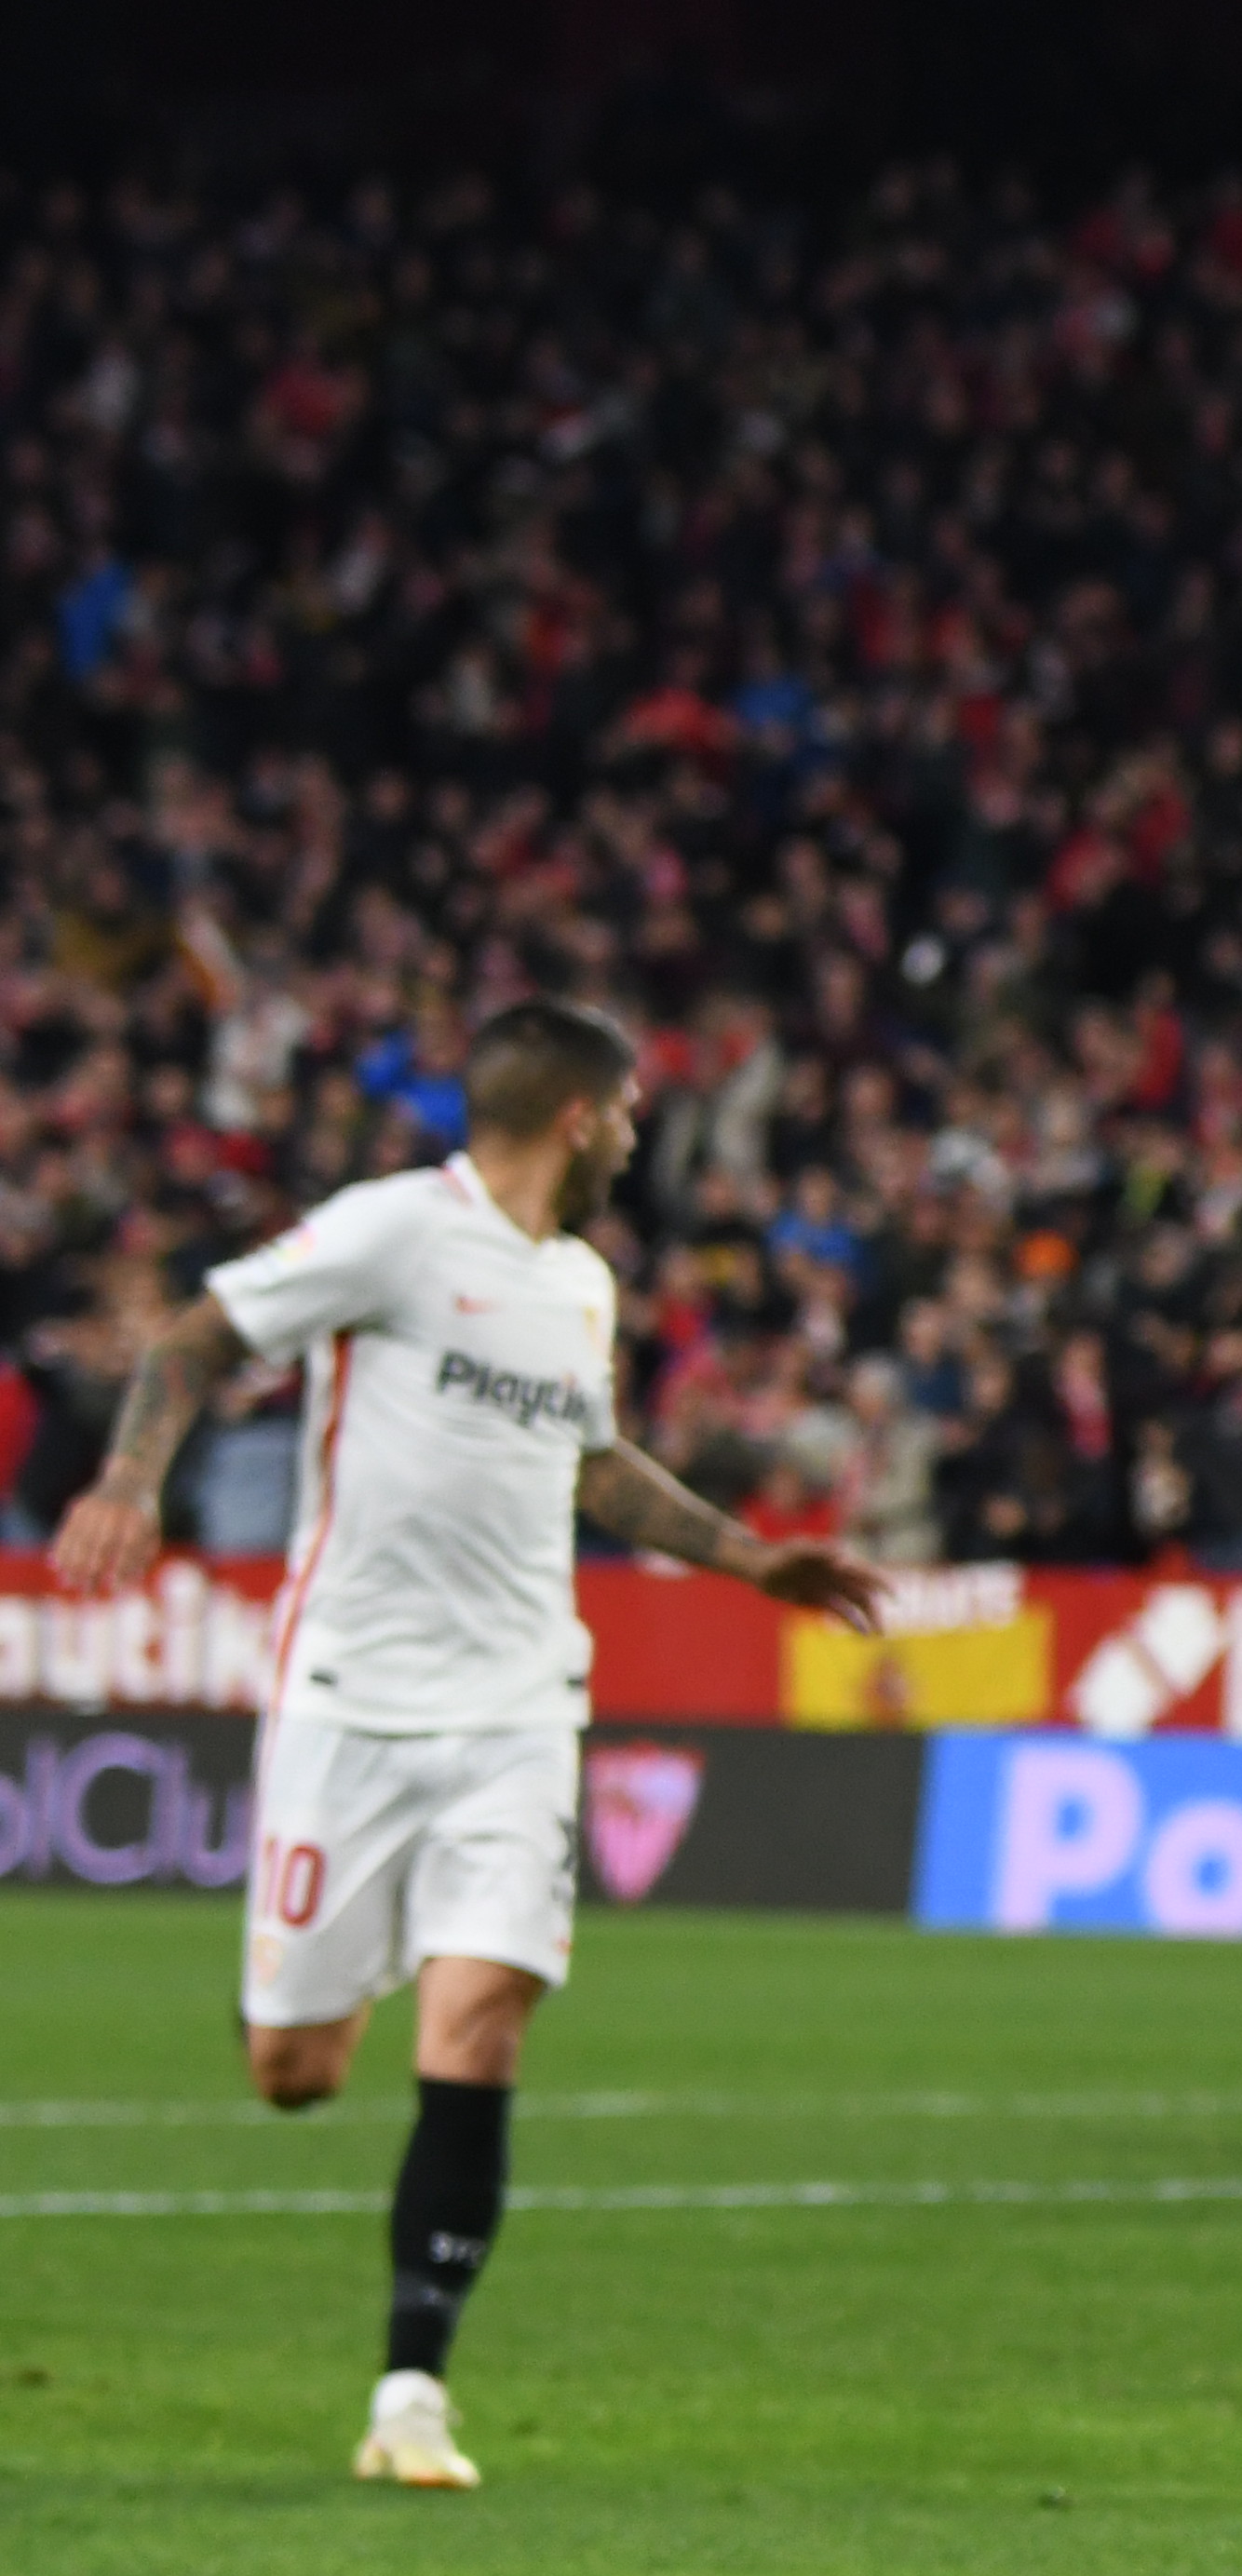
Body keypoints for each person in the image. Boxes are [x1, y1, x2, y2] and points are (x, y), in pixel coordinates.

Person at [49, 1000, 883, 2489]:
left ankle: (410, 2392)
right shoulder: (389, 1233)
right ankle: (326, 1977)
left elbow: (591, 1463)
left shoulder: (578, 1284)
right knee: (294, 2072)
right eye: (626, 1108)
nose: (637, 1132)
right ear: (577, 1115)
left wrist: (756, 1561)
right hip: (351, 1703)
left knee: (485, 2012)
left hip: (517, 1705)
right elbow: (192, 1340)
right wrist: (129, 1483)